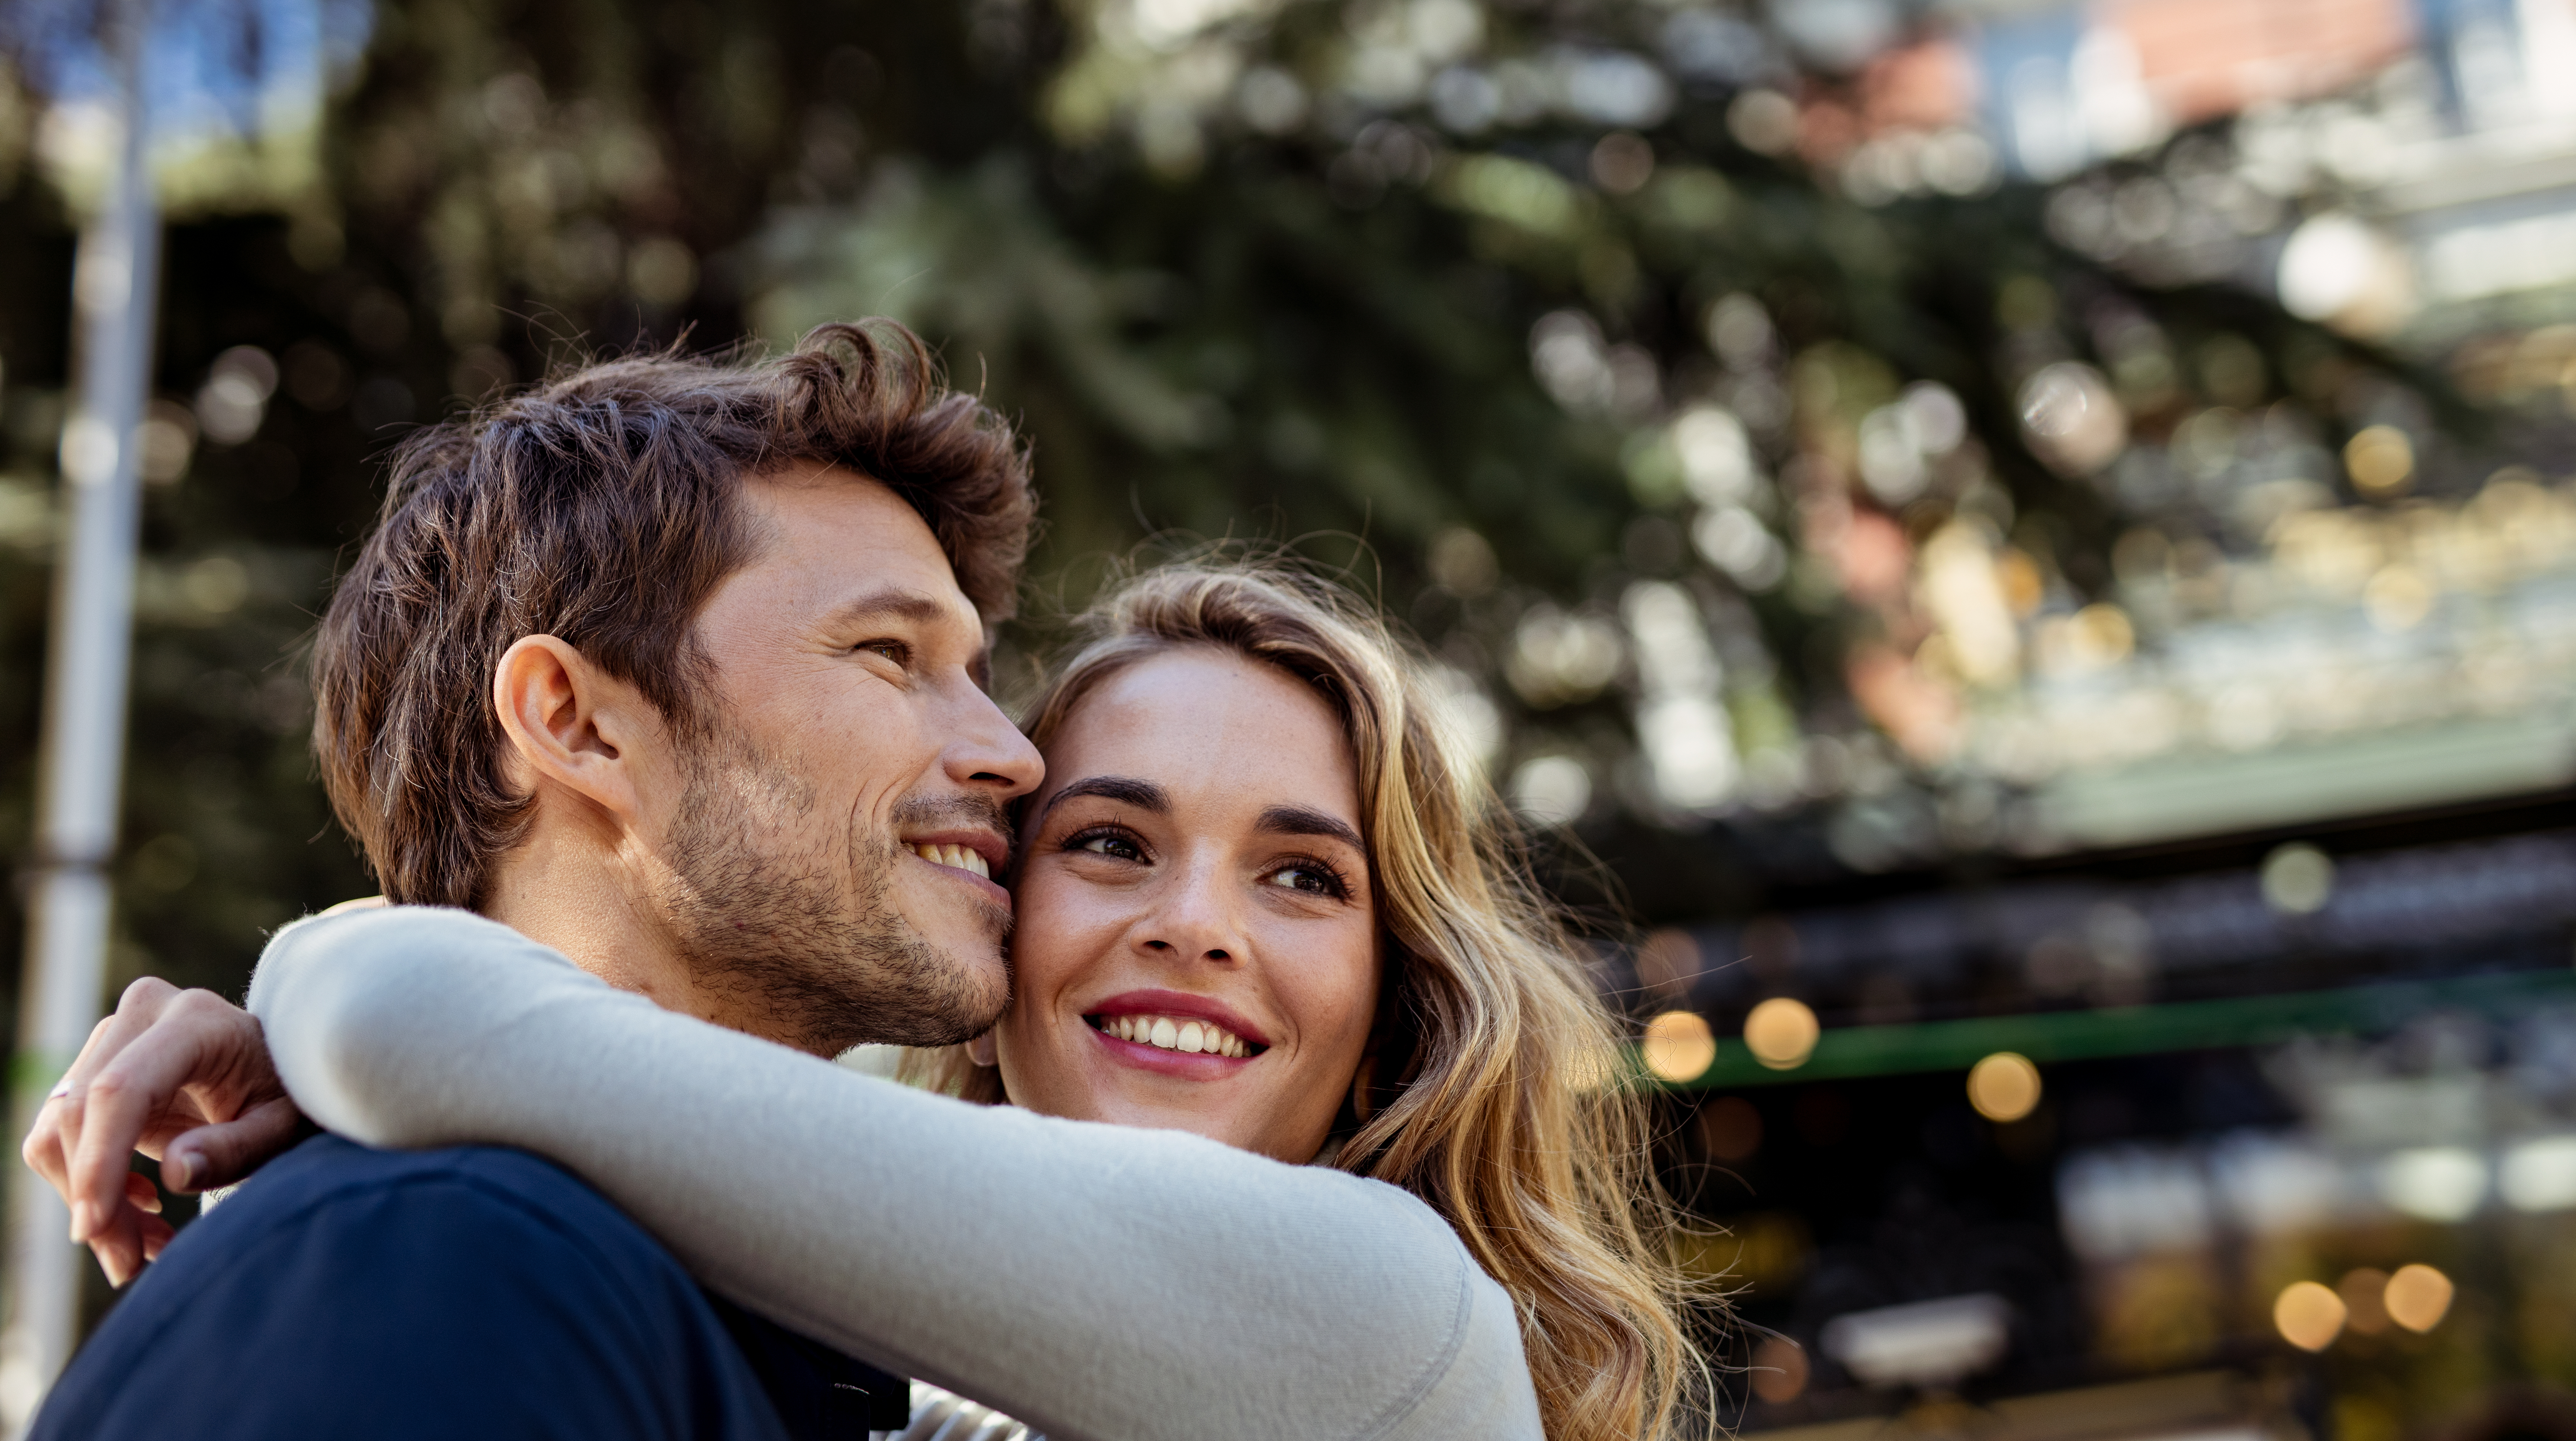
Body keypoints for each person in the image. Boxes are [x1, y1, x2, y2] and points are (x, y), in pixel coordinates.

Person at [25, 324, 1543, 1441]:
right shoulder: (434, 1261)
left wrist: (320, 979)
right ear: (577, 724)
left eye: (1306, 875)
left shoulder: (1379, 1325)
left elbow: (416, 1019)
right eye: (891, 655)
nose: (1007, 755)